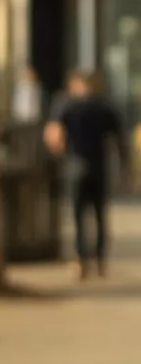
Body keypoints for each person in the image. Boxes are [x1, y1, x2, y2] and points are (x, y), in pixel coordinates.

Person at [44, 68, 128, 279]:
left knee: (78, 215)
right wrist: (125, 168)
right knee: (99, 214)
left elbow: (54, 136)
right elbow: (120, 140)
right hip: (99, 165)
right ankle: (100, 259)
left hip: (75, 164)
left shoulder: (66, 105)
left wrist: (58, 156)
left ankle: (81, 260)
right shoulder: (105, 107)